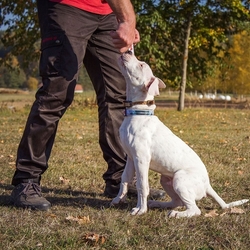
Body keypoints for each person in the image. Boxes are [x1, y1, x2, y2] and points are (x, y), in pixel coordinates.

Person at [10, 0, 165, 211]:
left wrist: (123, 20)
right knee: (56, 93)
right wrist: (127, 19)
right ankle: (26, 181)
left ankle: (120, 181)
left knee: (117, 95)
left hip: (107, 11)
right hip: (67, 5)